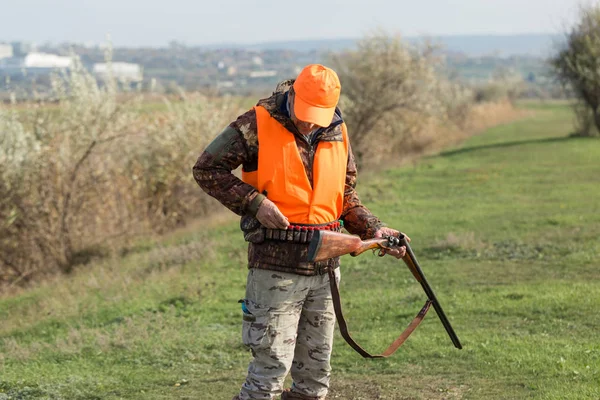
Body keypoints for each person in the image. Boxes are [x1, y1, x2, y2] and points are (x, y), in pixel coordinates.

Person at [193, 64, 408, 400]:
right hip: (275, 269)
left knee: (315, 379)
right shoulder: (255, 124)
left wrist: (376, 228)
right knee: (269, 375)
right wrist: (254, 203)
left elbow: (344, 197)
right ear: (292, 94)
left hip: (326, 271)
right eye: (305, 113)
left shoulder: (338, 130)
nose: (309, 122)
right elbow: (206, 169)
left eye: (317, 116)